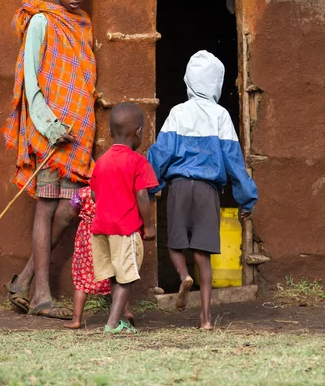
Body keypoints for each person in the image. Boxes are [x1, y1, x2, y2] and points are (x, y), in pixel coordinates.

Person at [2, 0, 96, 319]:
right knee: (45, 207)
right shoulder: (41, 21)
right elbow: (31, 79)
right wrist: (50, 125)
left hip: (78, 134)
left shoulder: (83, 23)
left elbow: (82, 73)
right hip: (47, 134)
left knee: (68, 210)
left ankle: (24, 278)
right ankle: (41, 294)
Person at [148, 51, 258, 330]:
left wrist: (152, 187)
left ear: (189, 80)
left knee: (175, 244)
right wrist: (246, 199)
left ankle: (183, 275)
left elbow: (160, 155)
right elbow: (234, 162)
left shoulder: (177, 113)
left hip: (180, 186)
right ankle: (206, 317)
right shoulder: (221, 116)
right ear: (216, 83)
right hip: (208, 190)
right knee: (203, 253)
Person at [91, 103, 158, 334]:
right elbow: (142, 195)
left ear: (111, 132)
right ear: (138, 132)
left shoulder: (102, 161)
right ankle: (111, 323)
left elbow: (92, 193)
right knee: (127, 277)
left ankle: (120, 320)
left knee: (115, 274)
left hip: (101, 229)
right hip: (124, 229)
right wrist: (148, 226)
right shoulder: (138, 162)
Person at [64, 185, 134, 329]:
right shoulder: (114, 190)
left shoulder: (82, 193)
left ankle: (76, 320)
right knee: (117, 278)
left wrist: (84, 216)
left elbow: (72, 212)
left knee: (81, 282)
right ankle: (126, 312)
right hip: (107, 234)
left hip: (87, 237)